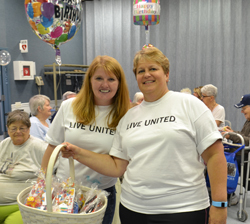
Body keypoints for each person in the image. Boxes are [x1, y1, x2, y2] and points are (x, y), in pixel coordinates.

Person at [60, 47, 227, 224]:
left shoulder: (189, 104)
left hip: (183, 209)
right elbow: (117, 167)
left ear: (167, 74)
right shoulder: (129, 117)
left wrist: (219, 204)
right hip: (133, 209)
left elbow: (215, 155)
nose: (147, 74)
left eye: (153, 69)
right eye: (141, 71)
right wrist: (78, 153)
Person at [40, 55, 130, 224]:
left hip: (101, 195)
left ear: (119, 83)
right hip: (64, 191)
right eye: (99, 78)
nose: (105, 84)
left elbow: (119, 163)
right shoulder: (69, 107)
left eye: (111, 79)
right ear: (89, 81)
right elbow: (52, 147)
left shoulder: (125, 116)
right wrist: (42, 182)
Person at [0, 110, 48, 224]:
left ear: (29, 128)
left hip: (23, 204)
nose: (18, 132)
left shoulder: (39, 146)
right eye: (13, 128)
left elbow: (56, 170)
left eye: (22, 128)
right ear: (7, 128)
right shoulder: (4, 144)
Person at [223, 94, 250, 193]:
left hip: (246, 157)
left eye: (244, 108)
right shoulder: (248, 121)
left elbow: (248, 141)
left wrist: (231, 136)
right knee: (223, 157)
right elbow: (244, 135)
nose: (242, 111)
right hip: (241, 154)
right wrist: (232, 132)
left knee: (226, 162)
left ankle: (229, 191)